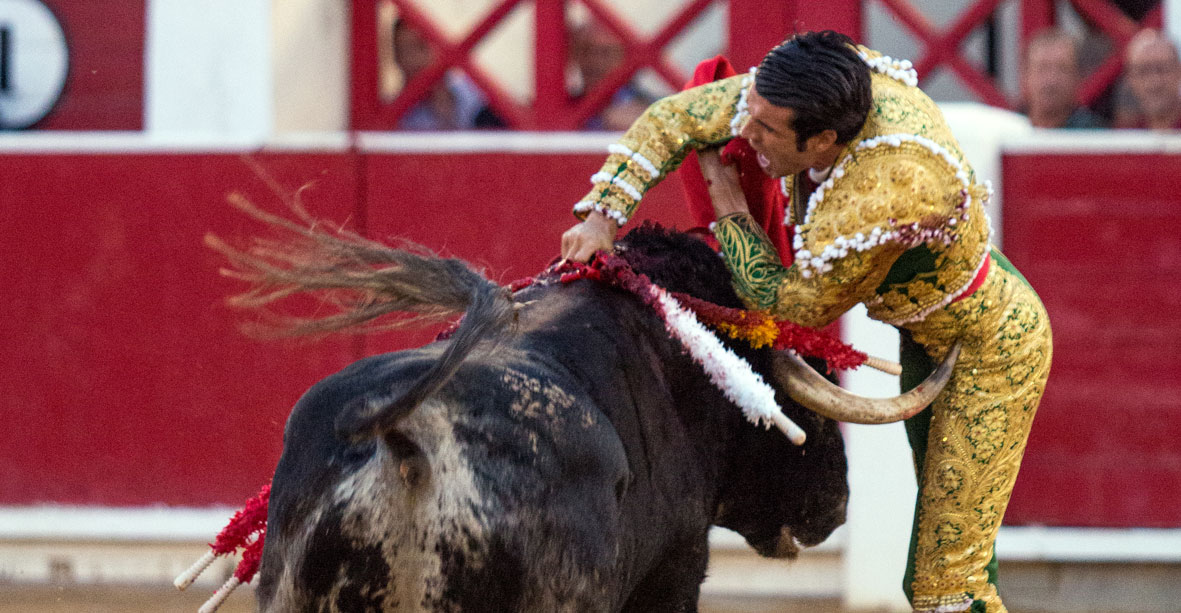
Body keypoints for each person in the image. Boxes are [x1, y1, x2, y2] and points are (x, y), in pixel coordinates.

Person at [560, 31, 1052, 613]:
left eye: (765, 133)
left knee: (947, 576)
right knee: (945, 561)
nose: (746, 133)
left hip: (990, 351)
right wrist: (601, 219)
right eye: (753, 116)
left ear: (823, 141)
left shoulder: (889, 189)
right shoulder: (811, 90)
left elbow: (788, 307)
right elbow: (675, 116)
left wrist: (728, 205)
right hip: (930, 337)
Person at [392, 19, 505, 130]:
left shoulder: (479, 98)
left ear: (439, 47)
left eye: (420, 47)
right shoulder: (395, 117)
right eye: (402, 52)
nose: (412, 60)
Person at [569, 20, 655, 130]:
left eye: (606, 53)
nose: (594, 60)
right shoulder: (564, 108)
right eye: (585, 50)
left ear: (625, 59)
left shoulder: (653, 109)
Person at [1021, 28, 1105, 128]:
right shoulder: (1007, 130)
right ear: (1025, 75)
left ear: (1078, 77)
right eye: (1042, 68)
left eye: (1062, 69)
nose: (1051, 80)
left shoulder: (1095, 137)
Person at [1115, 28, 1181, 130]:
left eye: (1162, 69)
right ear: (1130, 79)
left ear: (1178, 71)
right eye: (1143, 71)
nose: (1154, 82)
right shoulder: (1126, 136)